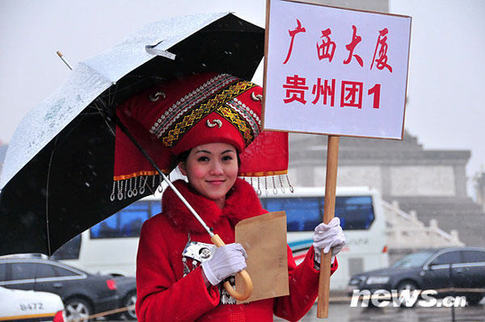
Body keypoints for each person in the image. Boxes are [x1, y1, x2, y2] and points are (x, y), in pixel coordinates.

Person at [114, 72, 346, 321]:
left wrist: (319, 258)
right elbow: (150, 315)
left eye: (226, 158)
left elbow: (288, 306)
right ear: (184, 167)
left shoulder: (261, 225)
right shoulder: (158, 232)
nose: (217, 170)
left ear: (238, 162)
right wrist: (206, 276)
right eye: (203, 159)